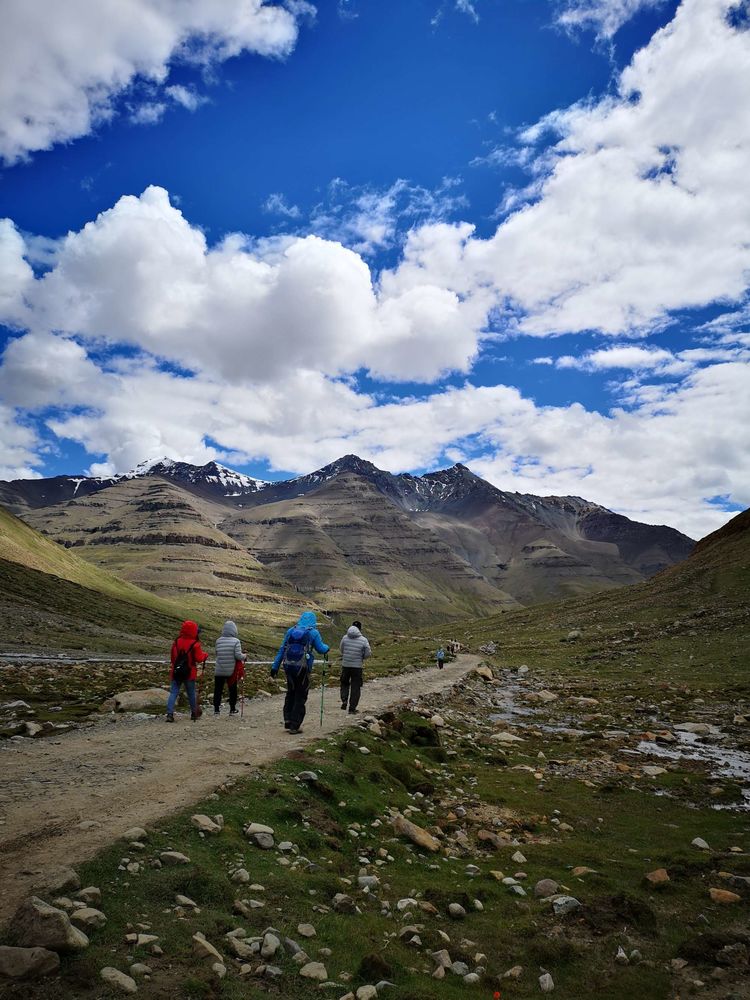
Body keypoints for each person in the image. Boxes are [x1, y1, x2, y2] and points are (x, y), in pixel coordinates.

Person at [271, 611, 329, 734]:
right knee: (300, 695)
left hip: (288, 666)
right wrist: (327, 648)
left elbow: (282, 650)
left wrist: (274, 667)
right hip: (303, 668)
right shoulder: (313, 632)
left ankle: (287, 719)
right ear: (313, 621)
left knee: (290, 692)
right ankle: (294, 725)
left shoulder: (291, 630)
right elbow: (321, 649)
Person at [167, 620, 208, 722]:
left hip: (176, 672)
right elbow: (199, 658)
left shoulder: (176, 641)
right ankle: (194, 713)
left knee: (173, 692)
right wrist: (205, 655)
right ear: (194, 630)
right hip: (189, 673)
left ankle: (169, 714)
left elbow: (172, 658)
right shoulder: (195, 643)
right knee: (191, 693)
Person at [214, 620, 247, 716]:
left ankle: (216, 710)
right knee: (232, 689)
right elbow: (238, 656)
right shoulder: (236, 641)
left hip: (219, 670)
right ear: (234, 630)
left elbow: (217, 653)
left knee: (218, 690)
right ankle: (232, 709)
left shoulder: (218, 641)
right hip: (231, 671)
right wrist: (245, 656)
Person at [339, 619, 371, 714]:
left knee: (344, 683)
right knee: (355, 687)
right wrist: (362, 657)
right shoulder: (363, 640)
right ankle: (352, 708)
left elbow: (341, 649)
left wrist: (347, 655)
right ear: (360, 629)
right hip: (357, 667)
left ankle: (344, 700)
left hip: (345, 665)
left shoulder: (345, 638)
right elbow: (368, 653)